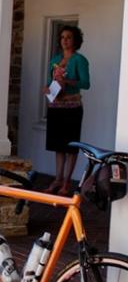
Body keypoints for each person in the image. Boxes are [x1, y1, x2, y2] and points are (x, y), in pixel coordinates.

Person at [43, 25, 90, 196]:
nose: (65, 40)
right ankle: (57, 178)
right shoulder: (55, 59)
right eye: (62, 37)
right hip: (56, 106)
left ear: (75, 40)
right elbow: (51, 81)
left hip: (72, 107)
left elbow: (86, 83)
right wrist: (47, 88)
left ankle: (66, 181)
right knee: (58, 145)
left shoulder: (80, 60)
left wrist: (68, 81)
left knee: (70, 146)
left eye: (69, 37)